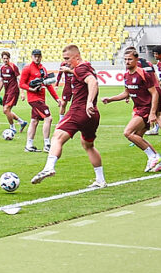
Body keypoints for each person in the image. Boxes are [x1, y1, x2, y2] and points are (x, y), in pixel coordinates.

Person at [31, 44, 106, 189]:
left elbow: (93, 82)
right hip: (93, 114)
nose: (65, 62)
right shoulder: (87, 66)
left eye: (67, 58)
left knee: (57, 137)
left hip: (79, 110)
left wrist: (89, 102)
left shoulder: (80, 68)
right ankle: (100, 180)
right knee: (88, 145)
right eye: (64, 59)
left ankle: (49, 167)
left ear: (77, 57)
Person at [102, 49, 161, 173]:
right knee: (137, 137)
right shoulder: (127, 75)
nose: (127, 62)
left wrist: (153, 112)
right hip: (139, 108)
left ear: (136, 60)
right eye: (125, 59)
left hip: (146, 108)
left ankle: (153, 157)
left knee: (128, 132)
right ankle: (160, 161)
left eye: (130, 59)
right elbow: (126, 93)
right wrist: (111, 99)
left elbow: (154, 93)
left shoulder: (143, 74)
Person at [19, 49, 60, 152]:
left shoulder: (43, 69)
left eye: (38, 56)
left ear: (41, 57)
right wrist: (30, 89)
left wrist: (57, 98)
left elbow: (48, 85)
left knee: (34, 121)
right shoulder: (27, 68)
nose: (37, 58)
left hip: (41, 98)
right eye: (35, 56)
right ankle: (47, 144)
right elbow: (21, 84)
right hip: (34, 99)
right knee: (48, 118)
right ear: (32, 57)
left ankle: (29, 145)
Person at [0, 51, 27, 134]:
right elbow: (2, 80)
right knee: (6, 111)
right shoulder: (2, 68)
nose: (5, 60)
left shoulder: (13, 66)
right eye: (4, 58)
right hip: (6, 92)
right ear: (2, 59)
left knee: (6, 109)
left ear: (9, 58)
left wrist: (22, 92)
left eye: (7, 58)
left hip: (14, 91)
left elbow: (19, 79)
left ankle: (12, 128)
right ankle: (22, 122)